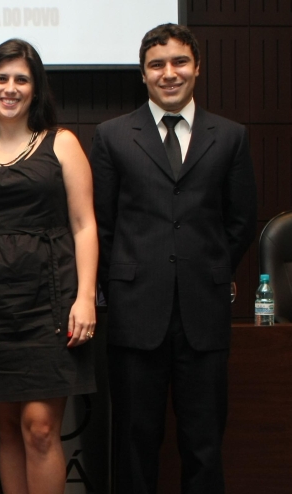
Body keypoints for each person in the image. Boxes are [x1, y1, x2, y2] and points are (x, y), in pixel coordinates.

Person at [90, 23, 257, 494]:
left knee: (203, 443)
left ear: (197, 68)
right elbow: (102, 224)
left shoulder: (230, 136)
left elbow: (242, 219)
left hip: (203, 314)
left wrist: (212, 268)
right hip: (135, 312)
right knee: (134, 442)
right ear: (142, 74)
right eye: (156, 65)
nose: (169, 73)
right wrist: (119, 282)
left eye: (179, 62)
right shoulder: (113, 136)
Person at [0, 39, 98, 494]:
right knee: (9, 428)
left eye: (21, 79)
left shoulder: (63, 143)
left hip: (51, 299)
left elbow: (84, 225)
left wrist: (86, 298)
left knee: (39, 427)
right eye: (2, 78)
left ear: (35, 89)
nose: (11, 88)